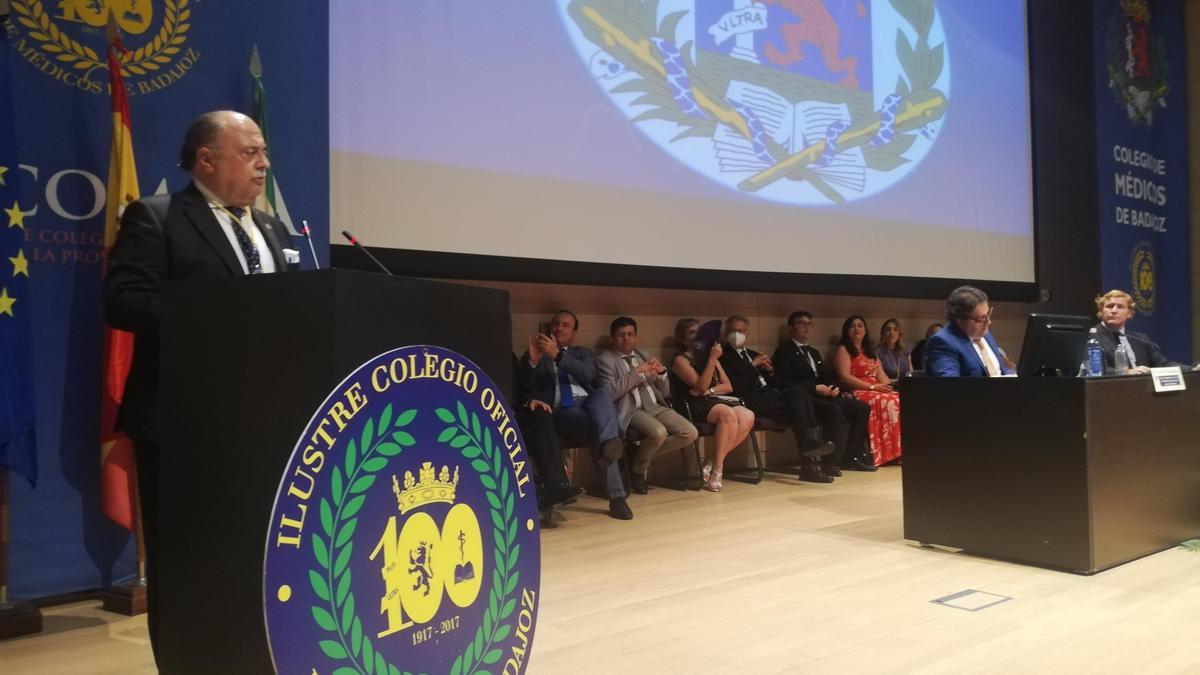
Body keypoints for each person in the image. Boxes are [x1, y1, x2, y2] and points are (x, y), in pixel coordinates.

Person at [102, 110, 297, 660]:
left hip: (261, 422)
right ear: (207, 160)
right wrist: (213, 316)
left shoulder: (272, 228)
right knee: (185, 562)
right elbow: (122, 300)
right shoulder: (158, 217)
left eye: (265, 152)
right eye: (251, 152)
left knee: (252, 555)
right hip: (181, 422)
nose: (264, 163)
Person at [524, 310, 633, 520]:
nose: (559, 327)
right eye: (556, 323)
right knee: (601, 435)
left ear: (574, 333)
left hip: (589, 405)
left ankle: (610, 441)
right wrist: (534, 361)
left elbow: (588, 375)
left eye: (566, 325)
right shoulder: (537, 355)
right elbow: (527, 386)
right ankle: (617, 497)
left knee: (602, 394)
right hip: (563, 411)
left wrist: (559, 355)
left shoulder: (582, 353)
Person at [717, 315, 836, 483]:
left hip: (772, 396)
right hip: (749, 401)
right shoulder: (722, 357)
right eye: (733, 331)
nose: (738, 334)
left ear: (747, 333)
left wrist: (771, 371)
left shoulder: (753, 354)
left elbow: (778, 382)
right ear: (725, 332)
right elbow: (736, 387)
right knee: (800, 409)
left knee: (799, 394)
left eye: (742, 331)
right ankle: (810, 458)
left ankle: (811, 452)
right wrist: (752, 366)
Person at [596, 317, 698, 494]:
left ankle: (637, 457)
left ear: (636, 337)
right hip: (631, 409)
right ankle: (638, 472)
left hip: (654, 405)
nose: (626, 338)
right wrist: (636, 373)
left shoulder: (643, 354)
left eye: (630, 334)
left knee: (690, 433)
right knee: (658, 433)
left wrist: (662, 373)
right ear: (612, 338)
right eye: (621, 335)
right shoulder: (605, 360)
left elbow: (664, 392)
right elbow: (609, 394)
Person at [773, 311, 875, 473]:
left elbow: (825, 377)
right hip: (805, 398)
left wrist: (833, 388)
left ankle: (851, 456)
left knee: (862, 408)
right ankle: (829, 463)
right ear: (791, 329)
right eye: (802, 323)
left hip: (824, 395)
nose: (807, 328)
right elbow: (784, 382)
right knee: (833, 410)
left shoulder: (814, 352)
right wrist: (813, 388)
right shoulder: (784, 352)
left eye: (809, 324)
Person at [668, 318, 755, 491]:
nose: (698, 335)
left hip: (711, 399)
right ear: (684, 339)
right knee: (728, 414)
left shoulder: (710, 356)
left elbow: (727, 386)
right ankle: (718, 470)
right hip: (692, 404)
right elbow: (700, 385)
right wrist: (711, 361)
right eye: (692, 332)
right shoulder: (681, 360)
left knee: (747, 415)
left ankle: (712, 461)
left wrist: (710, 391)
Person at [512, 352, 583, 528]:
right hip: (485, 416)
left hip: (513, 416)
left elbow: (519, 387)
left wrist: (530, 400)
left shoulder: (507, 355)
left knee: (542, 414)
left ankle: (555, 486)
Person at [833, 315, 902, 466]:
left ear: (865, 330)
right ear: (846, 330)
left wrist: (888, 387)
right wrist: (872, 387)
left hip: (875, 388)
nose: (856, 329)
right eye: (852, 326)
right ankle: (882, 453)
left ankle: (896, 452)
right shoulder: (843, 349)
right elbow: (845, 377)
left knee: (897, 398)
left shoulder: (870, 350)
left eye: (860, 325)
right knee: (886, 401)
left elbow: (881, 375)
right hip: (856, 390)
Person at [923, 286, 1014, 377]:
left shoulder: (985, 333)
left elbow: (1001, 369)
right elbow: (950, 385)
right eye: (981, 319)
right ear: (960, 320)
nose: (988, 322)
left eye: (988, 314)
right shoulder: (942, 342)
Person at [1091, 289, 1173, 373]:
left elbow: (1163, 364)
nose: (1114, 311)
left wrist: (1186, 370)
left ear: (1129, 313)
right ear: (1101, 311)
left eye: (1120, 307)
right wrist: (1126, 372)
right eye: (1110, 306)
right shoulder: (1092, 337)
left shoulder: (1141, 339)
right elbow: (1091, 368)